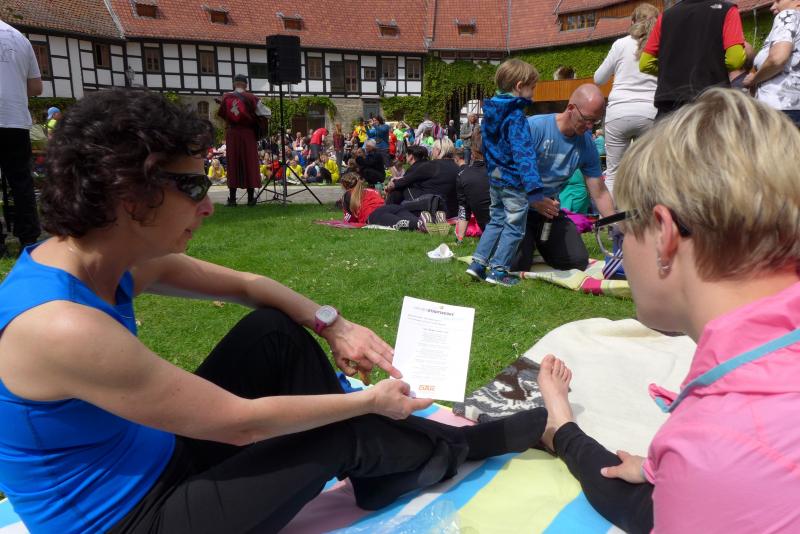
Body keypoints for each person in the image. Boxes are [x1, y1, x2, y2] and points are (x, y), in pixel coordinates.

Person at [0, 88, 550, 534]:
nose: (208, 205)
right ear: (129, 195)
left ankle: (390, 461)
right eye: (193, 187)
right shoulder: (60, 326)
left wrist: (334, 325)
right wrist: (368, 402)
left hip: (156, 460)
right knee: (337, 430)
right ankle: (442, 449)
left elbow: (249, 285)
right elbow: (239, 424)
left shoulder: (107, 259)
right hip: (131, 519)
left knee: (274, 332)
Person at [536, 88, 800, 534]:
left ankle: (560, 427)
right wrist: (662, 466)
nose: (620, 246)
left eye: (621, 228)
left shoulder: (714, 446)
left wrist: (687, 465)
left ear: (664, 234)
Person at [510, 84, 616, 273]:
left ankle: (536, 242)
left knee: (577, 261)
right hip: (516, 205)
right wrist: (534, 198)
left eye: (595, 122)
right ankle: (515, 242)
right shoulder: (534, 127)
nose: (590, 126)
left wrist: (615, 223)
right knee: (516, 265)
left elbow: (599, 192)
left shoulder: (587, 145)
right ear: (571, 108)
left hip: (548, 212)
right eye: (587, 119)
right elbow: (504, 172)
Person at [466, 58, 540, 287]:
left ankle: (478, 263)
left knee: (496, 220)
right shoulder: (515, 116)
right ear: (519, 86)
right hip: (513, 179)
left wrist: (493, 170)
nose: (533, 93)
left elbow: (486, 146)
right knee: (514, 227)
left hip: (496, 176)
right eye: (532, 88)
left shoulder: (490, 113)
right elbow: (523, 152)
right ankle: (499, 270)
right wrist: (534, 187)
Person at [594, 2, 659, 195]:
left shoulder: (620, 44)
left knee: (613, 173)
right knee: (647, 173)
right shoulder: (661, 44)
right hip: (650, 112)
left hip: (618, 112)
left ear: (632, 21)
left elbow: (599, 78)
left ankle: (611, 214)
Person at [640, 0, 746, 117]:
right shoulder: (727, 10)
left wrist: (673, 72)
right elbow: (735, 60)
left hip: (669, 104)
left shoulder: (665, 16)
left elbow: (644, 64)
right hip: (711, 101)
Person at [0, 18, 42, 259]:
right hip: (15, 119)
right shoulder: (20, 38)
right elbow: (36, 87)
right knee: (21, 183)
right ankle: (28, 238)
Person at [743, 0, 800, 126]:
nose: (772, 7)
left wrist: (753, 80)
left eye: (778, 1)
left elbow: (777, 59)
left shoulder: (788, 15)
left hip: (780, 107)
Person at [216, 74, 267, 206]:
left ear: (234, 84)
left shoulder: (226, 97)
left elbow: (222, 114)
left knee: (233, 163)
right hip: (247, 133)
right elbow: (266, 113)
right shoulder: (252, 98)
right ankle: (250, 199)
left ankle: (232, 199)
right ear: (246, 85)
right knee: (250, 162)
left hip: (232, 133)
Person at [455, 135, 490, 243]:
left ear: (472, 154)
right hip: (509, 228)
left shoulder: (463, 175)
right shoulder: (500, 172)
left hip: (488, 231)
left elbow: (463, 209)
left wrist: (460, 239)